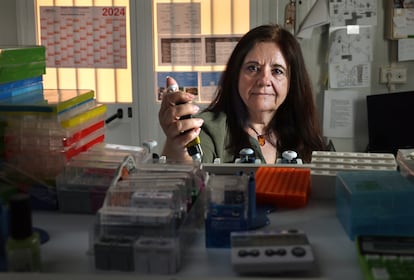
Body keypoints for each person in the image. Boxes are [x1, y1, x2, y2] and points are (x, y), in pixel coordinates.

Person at [158, 24, 326, 164]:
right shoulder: (209, 130)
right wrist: (176, 145)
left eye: (277, 71)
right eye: (252, 68)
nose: (264, 80)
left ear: (292, 82)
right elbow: (189, 173)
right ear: (236, 75)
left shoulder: (306, 134)